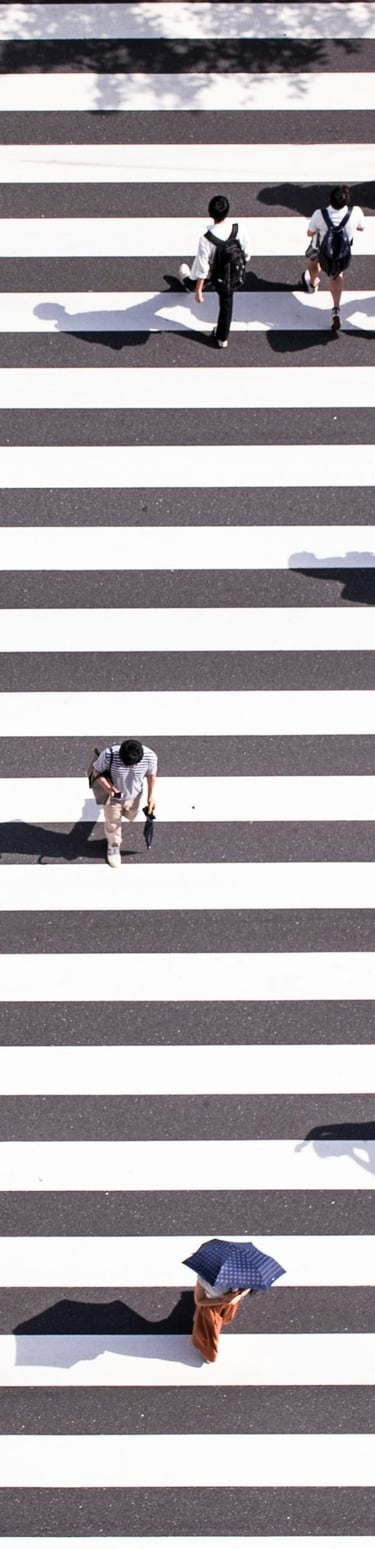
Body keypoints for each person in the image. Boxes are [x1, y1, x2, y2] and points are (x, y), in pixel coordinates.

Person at [178, 193, 251, 349]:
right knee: (226, 304)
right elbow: (246, 252)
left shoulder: (207, 238)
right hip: (233, 274)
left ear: (210, 213)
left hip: (215, 273)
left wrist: (199, 290)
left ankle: (189, 283)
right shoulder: (239, 229)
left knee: (198, 275)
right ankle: (222, 338)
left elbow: (203, 267)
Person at [302, 183, 365, 334]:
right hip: (341, 253)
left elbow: (309, 233)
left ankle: (312, 282)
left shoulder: (320, 214)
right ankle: (336, 309)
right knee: (336, 276)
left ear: (330, 200)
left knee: (312, 261)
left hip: (320, 249)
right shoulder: (355, 212)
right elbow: (362, 227)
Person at [92, 738, 157, 868]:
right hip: (113, 798)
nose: (129, 767)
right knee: (113, 823)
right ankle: (114, 845)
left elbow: (151, 776)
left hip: (135, 795)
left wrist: (150, 796)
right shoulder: (108, 754)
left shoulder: (150, 757)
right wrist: (108, 788)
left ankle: (118, 825)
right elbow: (96, 771)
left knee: (131, 815)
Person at [192, 1276, 250, 1362]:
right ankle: (210, 1353)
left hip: (230, 1303)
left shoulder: (242, 1275)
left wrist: (238, 1296)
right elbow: (199, 1300)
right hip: (211, 1306)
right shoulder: (204, 1279)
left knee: (222, 1320)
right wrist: (224, 1300)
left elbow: (249, 1287)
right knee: (210, 1331)